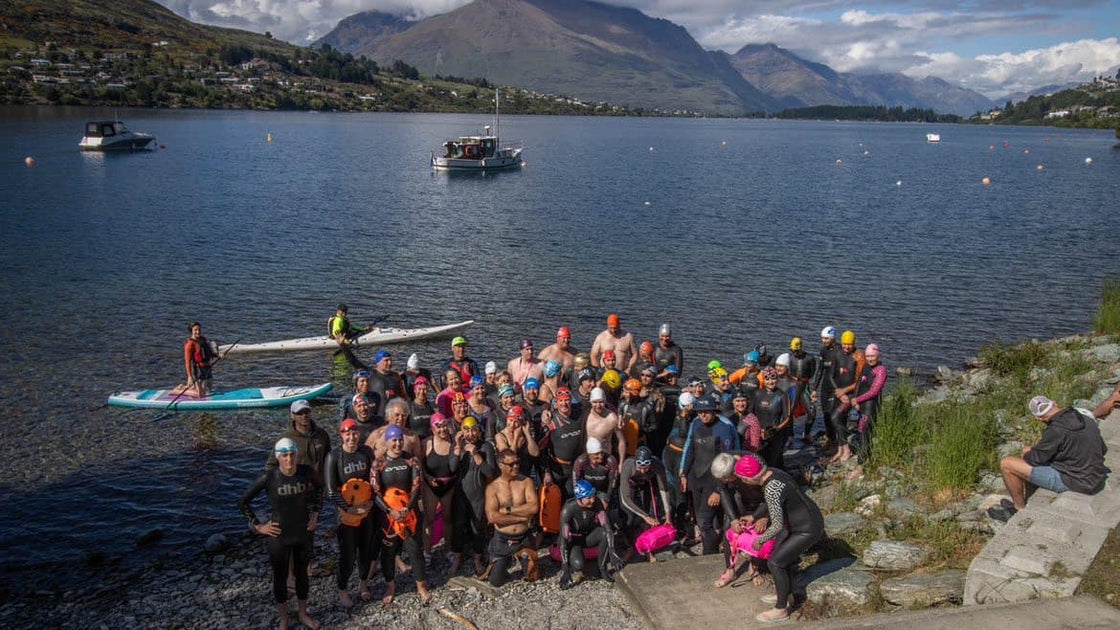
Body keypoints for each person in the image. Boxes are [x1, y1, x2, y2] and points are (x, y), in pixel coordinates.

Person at [239, 438, 323, 630]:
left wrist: (316, 514)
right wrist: (259, 526)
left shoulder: (306, 472)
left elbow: (321, 489)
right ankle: (284, 619)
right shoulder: (269, 478)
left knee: (302, 575)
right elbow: (243, 502)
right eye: (284, 455)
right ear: (278, 457)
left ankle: (303, 614)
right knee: (280, 577)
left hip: (303, 532)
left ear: (296, 454)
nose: (289, 459)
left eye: (292, 454)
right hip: (279, 535)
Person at [735, 453, 824, 622]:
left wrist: (759, 540)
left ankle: (781, 609)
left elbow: (776, 525)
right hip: (804, 520)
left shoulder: (771, 488)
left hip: (807, 528)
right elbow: (772, 503)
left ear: (748, 479)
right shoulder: (773, 472)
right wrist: (754, 517)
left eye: (742, 479)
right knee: (783, 558)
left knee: (775, 562)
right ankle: (785, 596)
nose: (743, 483)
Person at [995, 395, 1109, 519]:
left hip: (1077, 481)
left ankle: (1018, 509)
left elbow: (1035, 459)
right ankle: (1029, 498)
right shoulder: (1085, 417)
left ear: (1038, 418)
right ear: (1055, 403)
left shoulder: (1056, 430)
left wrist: (1027, 451)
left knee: (1007, 464)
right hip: (1096, 474)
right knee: (1033, 454)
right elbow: (1103, 449)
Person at [370, 424, 431, 604]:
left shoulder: (411, 460)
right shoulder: (379, 463)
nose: (397, 443)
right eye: (394, 440)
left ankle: (421, 586)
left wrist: (408, 508)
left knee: (415, 551)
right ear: (387, 442)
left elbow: (416, 487)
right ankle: (391, 587)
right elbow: (375, 493)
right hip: (388, 516)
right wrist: (390, 511)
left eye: (399, 440)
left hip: (409, 513)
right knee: (388, 553)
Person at [323, 419, 376, 608]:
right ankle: (343, 590)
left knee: (366, 551)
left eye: (354, 433)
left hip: (367, 511)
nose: (352, 437)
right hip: (347, 515)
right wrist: (349, 509)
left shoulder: (366, 452)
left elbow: (374, 479)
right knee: (348, 554)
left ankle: (363, 585)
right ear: (341, 436)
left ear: (358, 434)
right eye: (347, 434)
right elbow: (330, 491)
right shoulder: (334, 457)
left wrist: (372, 502)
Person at [680, 394, 739, 554]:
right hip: (696, 476)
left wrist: (718, 490)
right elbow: (690, 448)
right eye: (700, 412)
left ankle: (709, 554)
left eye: (706, 411)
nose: (703, 415)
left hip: (714, 482)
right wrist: (684, 473)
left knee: (704, 521)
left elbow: (727, 462)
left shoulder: (724, 428)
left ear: (714, 411)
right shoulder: (696, 423)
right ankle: (719, 544)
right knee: (703, 518)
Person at [484, 449, 540, 588]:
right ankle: (504, 559)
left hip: (523, 538)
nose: (516, 466)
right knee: (495, 581)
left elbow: (533, 508)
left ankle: (521, 556)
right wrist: (521, 519)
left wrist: (508, 510)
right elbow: (492, 517)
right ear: (501, 465)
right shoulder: (493, 488)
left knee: (533, 577)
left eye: (517, 462)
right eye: (511, 464)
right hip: (503, 538)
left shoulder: (526, 482)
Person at [450, 417, 496, 575]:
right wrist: (457, 447)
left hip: (478, 495)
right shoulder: (458, 447)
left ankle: (477, 557)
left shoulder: (486, 447)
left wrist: (476, 454)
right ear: (462, 431)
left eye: (474, 429)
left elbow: (490, 472)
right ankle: (457, 556)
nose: (470, 434)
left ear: (479, 430)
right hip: (460, 495)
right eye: (467, 430)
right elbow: (452, 469)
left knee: (478, 528)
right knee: (458, 526)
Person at [710, 453, 764, 588]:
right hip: (739, 498)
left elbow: (769, 493)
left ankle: (754, 567)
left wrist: (763, 516)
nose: (725, 482)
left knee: (757, 533)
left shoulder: (754, 464)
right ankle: (730, 570)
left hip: (760, 501)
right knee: (729, 530)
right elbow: (723, 492)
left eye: (727, 479)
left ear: (735, 471)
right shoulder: (722, 468)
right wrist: (733, 519)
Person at [558, 480, 624, 589]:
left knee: (604, 533)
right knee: (578, 566)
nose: (592, 500)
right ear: (579, 498)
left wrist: (613, 553)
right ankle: (571, 566)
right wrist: (565, 570)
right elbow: (563, 540)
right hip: (574, 541)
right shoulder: (568, 509)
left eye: (593, 496)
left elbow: (607, 528)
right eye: (588, 498)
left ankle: (602, 568)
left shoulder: (597, 503)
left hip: (589, 536)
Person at [618, 446, 673, 561]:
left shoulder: (657, 465)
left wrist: (668, 513)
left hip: (647, 484)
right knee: (630, 518)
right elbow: (625, 499)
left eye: (646, 468)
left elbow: (663, 488)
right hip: (630, 487)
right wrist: (645, 516)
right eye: (640, 468)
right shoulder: (628, 466)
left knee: (652, 516)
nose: (642, 471)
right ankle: (630, 547)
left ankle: (648, 549)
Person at [420, 413, 460, 558]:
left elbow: (456, 467)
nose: (442, 429)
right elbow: (419, 465)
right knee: (429, 519)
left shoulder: (453, 443)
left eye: (444, 426)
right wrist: (427, 477)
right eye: (439, 427)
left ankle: (448, 549)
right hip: (431, 486)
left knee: (448, 518)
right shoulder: (426, 444)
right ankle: (427, 552)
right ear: (432, 429)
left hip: (448, 486)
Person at [847, 344, 888, 480]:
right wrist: (856, 400)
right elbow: (859, 384)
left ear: (878, 356)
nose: (870, 359)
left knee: (864, 433)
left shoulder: (881, 370)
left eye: (873, 356)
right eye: (868, 356)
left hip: (871, 406)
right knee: (860, 433)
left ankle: (860, 467)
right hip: (861, 405)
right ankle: (866, 461)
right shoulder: (866, 366)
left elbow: (874, 391)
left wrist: (858, 399)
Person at [825, 331, 865, 464]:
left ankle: (846, 449)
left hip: (850, 394)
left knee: (835, 417)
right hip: (839, 392)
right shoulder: (837, 354)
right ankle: (840, 449)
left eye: (849, 344)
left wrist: (845, 392)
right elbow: (830, 375)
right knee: (838, 420)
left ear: (854, 344)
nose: (846, 347)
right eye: (844, 344)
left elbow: (860, 381)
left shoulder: (859, 357)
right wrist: (838, 391)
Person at [267, 400, 332, 475]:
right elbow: (271, 466)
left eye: (307, 412)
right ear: (292, 415)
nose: (304, 415)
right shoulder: (285, 439)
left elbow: (329, 459)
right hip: (297, 484)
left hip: (320, 483)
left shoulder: (322, 434)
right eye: (300, 413)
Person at [541, 388, 584, 499]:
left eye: (566, 400)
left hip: (575, 467)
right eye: (561, 401)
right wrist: (547, 472)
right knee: (556, 501)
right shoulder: (550, 421)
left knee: (573, 497)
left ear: (571, 401)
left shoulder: (579, 415)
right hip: (557, 469)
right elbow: (543, 449)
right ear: (557, 402)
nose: (564, 404)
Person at [753, 368, 793, 470]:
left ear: (777, 379)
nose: (770, 381)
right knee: (758, 462)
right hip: (759, 434)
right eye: (767, 379)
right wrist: (756, 430)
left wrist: (775, 429)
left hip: (775, 434)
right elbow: (751, 414)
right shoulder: (758, 393)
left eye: (773, 378)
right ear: (763, 380)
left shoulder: (782, 395)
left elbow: (787, 417)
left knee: (772, 464)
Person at [810, 326, 841, 449]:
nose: (824, 341)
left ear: (832, 337)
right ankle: (830, 438)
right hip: (825, 386)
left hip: (836, 386)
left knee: (834, 413)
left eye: (826, 338)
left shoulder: (839, 351)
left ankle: (838, 440)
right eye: (822, 338)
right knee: (825, 413)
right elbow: (820, 370)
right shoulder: (823, 350)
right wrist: (814, 388)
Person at [495, 405, 541, 482]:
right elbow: (508, 458)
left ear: (521, 423)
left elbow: (535, 453)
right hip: (508, 479)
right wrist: (516, 438)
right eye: (510, 420)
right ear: (506, 420)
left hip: (524, 476)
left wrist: (527, 434)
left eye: (516, 422)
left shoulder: (525, 435)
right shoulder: (500, 436)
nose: (512, 425)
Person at [178, 322, 224, 397]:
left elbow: (208, 352)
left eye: (199, 329)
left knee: (208, 390)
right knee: (200, 395)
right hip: (199, 370)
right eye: (195, 330)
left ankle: (193, 387)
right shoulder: (190, 344)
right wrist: (190, 377)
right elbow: (187, 362)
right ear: (191, 331)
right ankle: (181, 389)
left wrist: (218, 355)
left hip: (208, 368)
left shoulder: (203, 340)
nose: (198, 332)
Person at [787, 338, 818, 444]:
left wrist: (813, 390)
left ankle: (807, 433)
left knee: (812, 411)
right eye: (792, 351)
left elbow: (813, 375)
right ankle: (790, 435)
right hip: (792, 387)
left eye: (796, 351)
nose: (794, 353)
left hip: (805, 387)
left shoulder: (809, 359)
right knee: (788, 411)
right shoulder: (789, 358)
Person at [573, 437, 620, 506]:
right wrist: (579, 498)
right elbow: (576, 481)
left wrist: (607, 499)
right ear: (590, 454)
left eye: (602, 453)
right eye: (597, 454)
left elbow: (613, 483)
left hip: (603, 491)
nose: (600, 456)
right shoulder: (581, 462)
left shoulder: (610, 461)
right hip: (587, 492)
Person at [586, 387, 627, 464]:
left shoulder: (611, 418)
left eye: (601, 402)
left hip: (605, 460)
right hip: (587, 461)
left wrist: (621, 463)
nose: (598, 405)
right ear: (590, 402)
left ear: (605, 401)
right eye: (595, 402)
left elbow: (621, 441)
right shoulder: (585, 416)